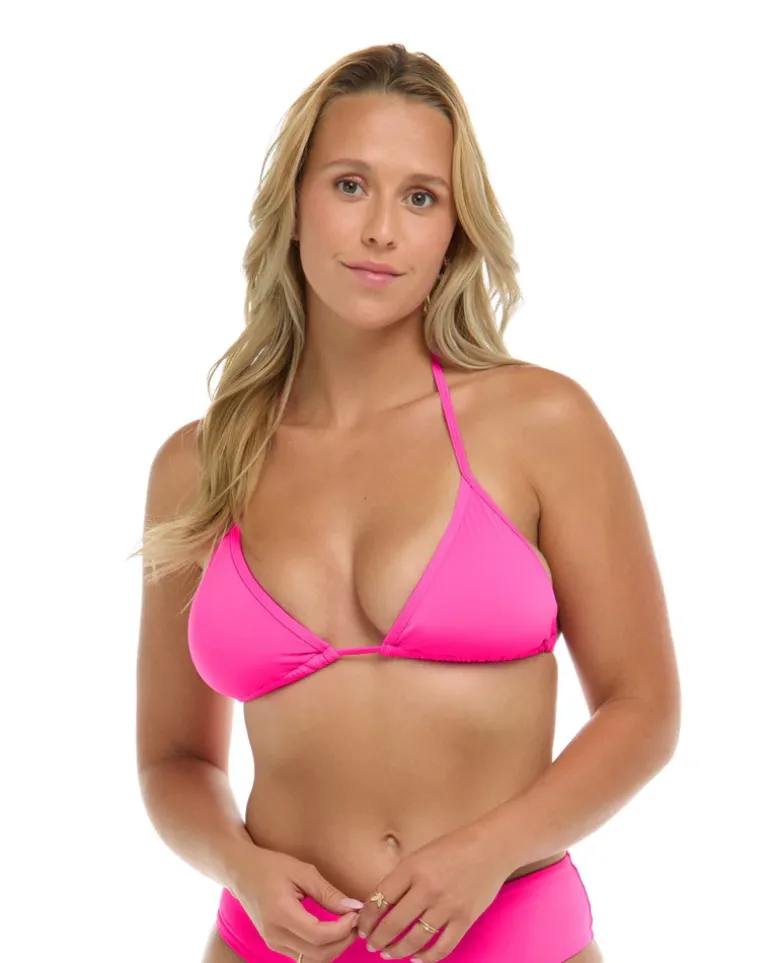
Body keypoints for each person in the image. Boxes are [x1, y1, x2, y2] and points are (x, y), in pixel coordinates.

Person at [134, 43, 680, 963]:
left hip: (512, 938)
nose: (382, 229)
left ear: (455, 229)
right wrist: (240, 865)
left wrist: (491, 851)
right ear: (294, 205)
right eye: (350, 185)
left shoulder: (541, 423)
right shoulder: (199, 465)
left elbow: (643, 707)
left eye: (421, 197)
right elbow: (171, 760)